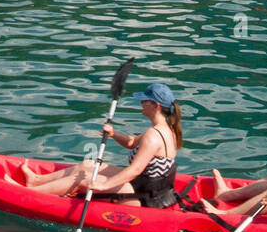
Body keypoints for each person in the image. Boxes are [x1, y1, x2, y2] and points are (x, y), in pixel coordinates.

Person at [15, 83, 183, 208]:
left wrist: (104, 184)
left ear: (156, 105)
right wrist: (113, 133)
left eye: (144, 100)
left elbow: (135, 170)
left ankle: (28, 194)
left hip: (145, 197)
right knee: (89, 165)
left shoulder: (153, 136)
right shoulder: (165, 130)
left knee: (84, 178)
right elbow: (132, 143)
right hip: (146, 186)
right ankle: (36, 180)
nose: (141, 103)